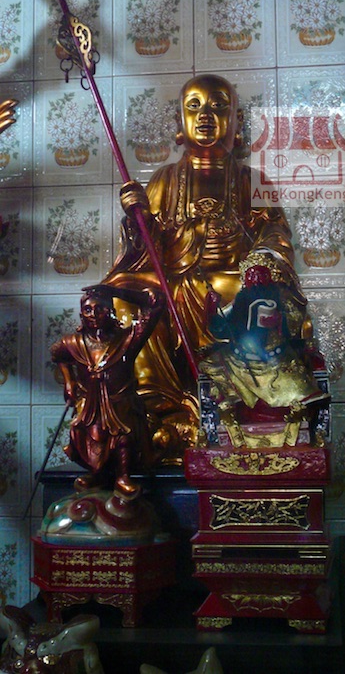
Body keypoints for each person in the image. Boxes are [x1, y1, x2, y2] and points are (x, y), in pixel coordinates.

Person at [101, 74, 311, 459]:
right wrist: (137, 217)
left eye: (218, 106)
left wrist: (262, 259)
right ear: (180, 122)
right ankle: (159, 405)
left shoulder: (251, 179)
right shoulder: (164, 179)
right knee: (127, 294)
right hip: (175, 280)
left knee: (252, 297)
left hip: (233, 280)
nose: (205, 116)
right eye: (194, 107)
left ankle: (241, 409)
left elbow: (275, 232)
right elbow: (146, 248)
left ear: (236, 120)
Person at [199, 251, 329, 448]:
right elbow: (221, 328)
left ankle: (294, 415)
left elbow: (295, 321)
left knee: (296, 382)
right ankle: (231, 412)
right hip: (241, 359)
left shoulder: (282, 297)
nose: (256, 280)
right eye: (251, 276)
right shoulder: (240, 300)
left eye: (261, 275)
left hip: (276, 358)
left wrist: (279, 320)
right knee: (212, 364)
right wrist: (212, 307)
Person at [50, 285, 165, 498]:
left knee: (123, 436)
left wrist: (116, 292)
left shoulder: (127, 339)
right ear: (81, 315)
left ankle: (123, 477)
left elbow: (156, 303)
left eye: (100, 308)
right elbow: (57, 355)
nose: (93, 314)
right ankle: (98, 474)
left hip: (120, 402)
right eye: (88, 310)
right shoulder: (74, 343)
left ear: (111, 312)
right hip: (90, 405)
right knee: (87, 435)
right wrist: (69, 381)